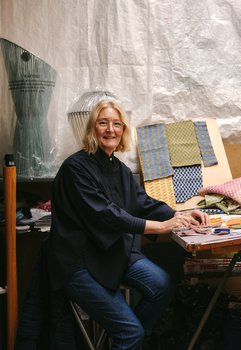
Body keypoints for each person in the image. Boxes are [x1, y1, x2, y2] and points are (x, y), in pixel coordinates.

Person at [45, 98, 210, 350]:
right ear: (92, 129)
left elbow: (143, 203)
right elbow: (107, 215)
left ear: (123, 131)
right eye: (103, 123)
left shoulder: (119, 168)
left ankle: (130, 340)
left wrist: (183, 214)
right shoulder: (75, 169)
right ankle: (129, 338)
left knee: (162, 285)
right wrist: (161, 227)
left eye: (116, 124)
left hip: (111, 253)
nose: (110, 129)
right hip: (79, 263)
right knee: (130, 331)